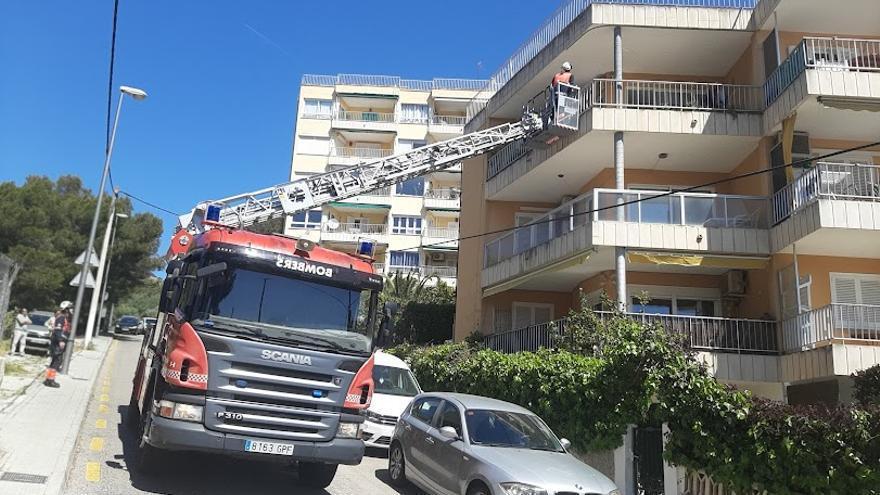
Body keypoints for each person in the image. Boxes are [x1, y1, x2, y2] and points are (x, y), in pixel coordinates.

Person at [45, 301, 72, 388]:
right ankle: (51, 380)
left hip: (58, 342)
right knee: (57, 361)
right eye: (70, 308)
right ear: (66, 309)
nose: (71, 310)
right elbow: (58, 330)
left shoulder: (64, 318)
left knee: (54, 361)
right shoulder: (61, 318)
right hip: (58, 343)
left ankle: (48, 379)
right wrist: (61, 341)